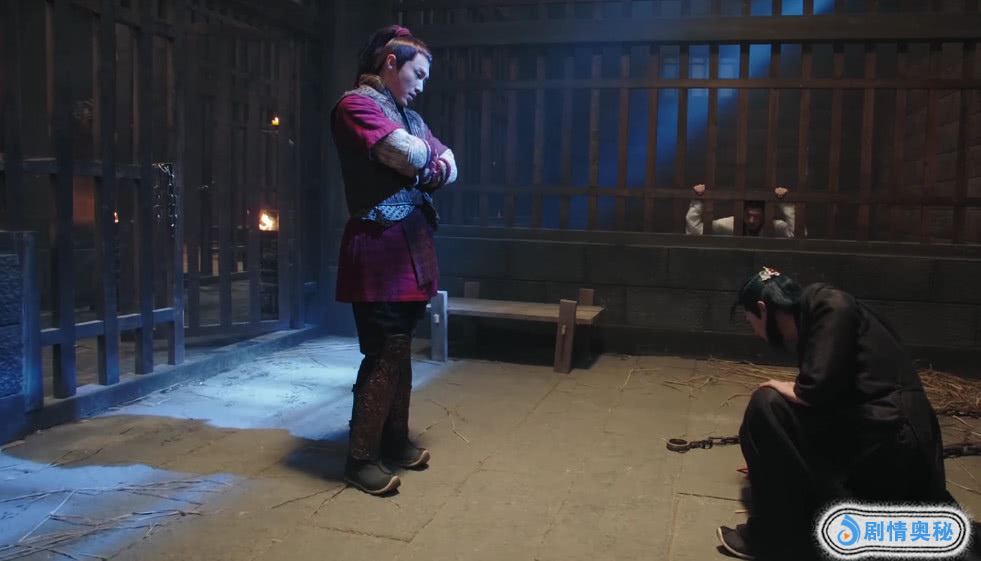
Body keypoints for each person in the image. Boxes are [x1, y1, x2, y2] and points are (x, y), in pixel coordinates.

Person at [717, 268, 959, 560]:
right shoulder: (812, 319)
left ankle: (772, 539)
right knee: (774, 415)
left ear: (762, 309)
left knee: (766, 404)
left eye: (750, 322)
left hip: (894, 441)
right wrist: (773, 453)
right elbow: (826, 397)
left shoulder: (828, 304)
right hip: (875, 431)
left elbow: (815, 392)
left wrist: (782, 387)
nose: (756, 333)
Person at [330, 24, 457, 495]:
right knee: (383, 350)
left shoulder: (410, 115)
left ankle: (395, 440)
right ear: (390, 62)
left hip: (412, 246)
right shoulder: (355, 105)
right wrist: (429, 164)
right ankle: (360, 457)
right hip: (378, 245)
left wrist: (429, 164)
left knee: (401, 347)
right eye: (417, 74)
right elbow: (408, 154)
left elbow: (448, 163)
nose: (422, 85)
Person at [685, 184, 799, 238]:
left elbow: (797, 235)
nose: (751, 220)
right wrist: (698, 200)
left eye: (757, 217)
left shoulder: (773, 226)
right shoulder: (729, 224)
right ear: (741, 213)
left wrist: (785, 203)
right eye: (748, 215)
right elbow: (695, 233)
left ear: (765, 216)